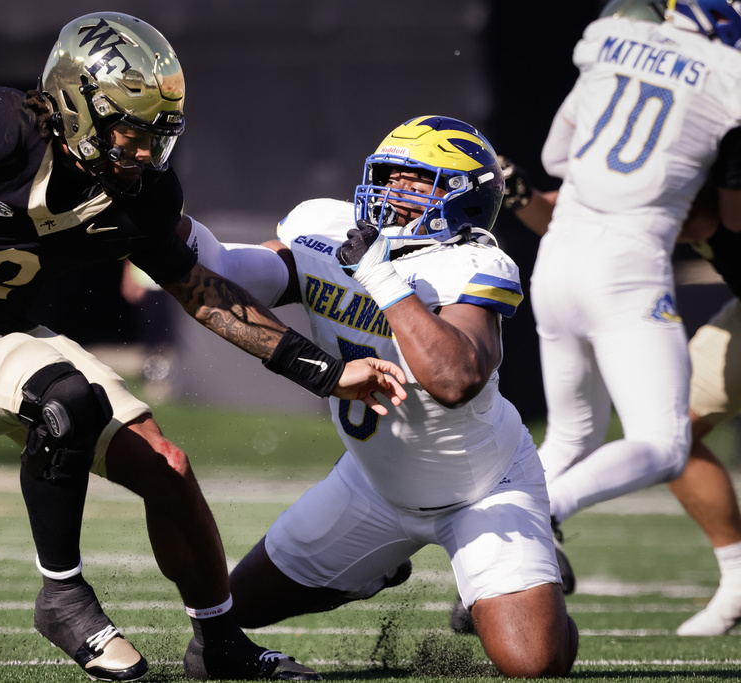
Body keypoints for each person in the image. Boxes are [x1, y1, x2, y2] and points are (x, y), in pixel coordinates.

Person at [0, 11, 404, 682]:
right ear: (75, 108)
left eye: (160, 137)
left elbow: (203, 293)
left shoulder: (141, 194)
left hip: (2, 341)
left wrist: (328, 372)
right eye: (132, 132)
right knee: (63, 395)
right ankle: (62, 595)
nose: (147, 155)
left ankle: (218, 641)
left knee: (168, 466)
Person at [187, 116, 578, 678]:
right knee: (234, 608)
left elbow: (454, 379)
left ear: (464, 199)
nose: (393, 189)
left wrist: (382, 276)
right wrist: (171, 227)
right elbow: (230, 269)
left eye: (416, 179)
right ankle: (370, 570)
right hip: (371, 486)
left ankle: (534, 598)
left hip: (482, 490)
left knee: (534, 664)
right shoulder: (328, 227)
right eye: (389, 173)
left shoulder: (474, 264)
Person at [497, 0, 741, 637]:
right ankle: (545, 513)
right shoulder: (726, 80)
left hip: (558, 266)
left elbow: (558, 157)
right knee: (664, 442)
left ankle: (491, 556)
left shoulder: (609, 46)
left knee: (574, 436)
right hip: (628, 271)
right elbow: (728, 218)